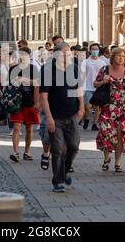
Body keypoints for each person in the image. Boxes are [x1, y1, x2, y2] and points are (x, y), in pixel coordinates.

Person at [40, 42, 84, 192]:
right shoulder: (48, 71)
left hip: (72, 114)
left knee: (74, 146)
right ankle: (57, 181)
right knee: (58, 149)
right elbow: (44, 97)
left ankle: (64, 173)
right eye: (64, 54)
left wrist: (82, 107)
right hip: (55, 116)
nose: (67, 56)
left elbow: (78, 89)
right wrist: (49, 118)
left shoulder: (74, 69)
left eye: (69, 53)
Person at [94, 47, 125, 173]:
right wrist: (102, 82)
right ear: (113, 57)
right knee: (106, 133)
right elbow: (95, 84)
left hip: (122, 107)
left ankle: (118, 161)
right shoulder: (105, 69)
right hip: (107, 106)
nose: (121, 58)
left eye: (123, 56)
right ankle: (106, 158)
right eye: (118, 55)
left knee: (120, 135)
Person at [8, 47, 40, 162]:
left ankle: (27, 151)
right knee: (16, 127)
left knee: (29, 128)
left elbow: (37, 83)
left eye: (25, 55)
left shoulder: (33, 68)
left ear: (29, 56)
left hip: (29, 101)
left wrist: (24, 79)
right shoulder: (13, 68)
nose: (22, 57)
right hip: (16, 102)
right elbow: (9, 84)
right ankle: (15, 152)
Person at [81, 43, 105, 131]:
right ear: (90, 51)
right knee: (88, 107)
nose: (95, 51)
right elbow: (82, 74)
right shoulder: (85, 62)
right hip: (87, 87)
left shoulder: (102, 62)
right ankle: (86, 119)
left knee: (97, 107)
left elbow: (104, 74)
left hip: (98, 87)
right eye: (93, 49)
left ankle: (95, 124)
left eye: (96, 49)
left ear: (98, 50)